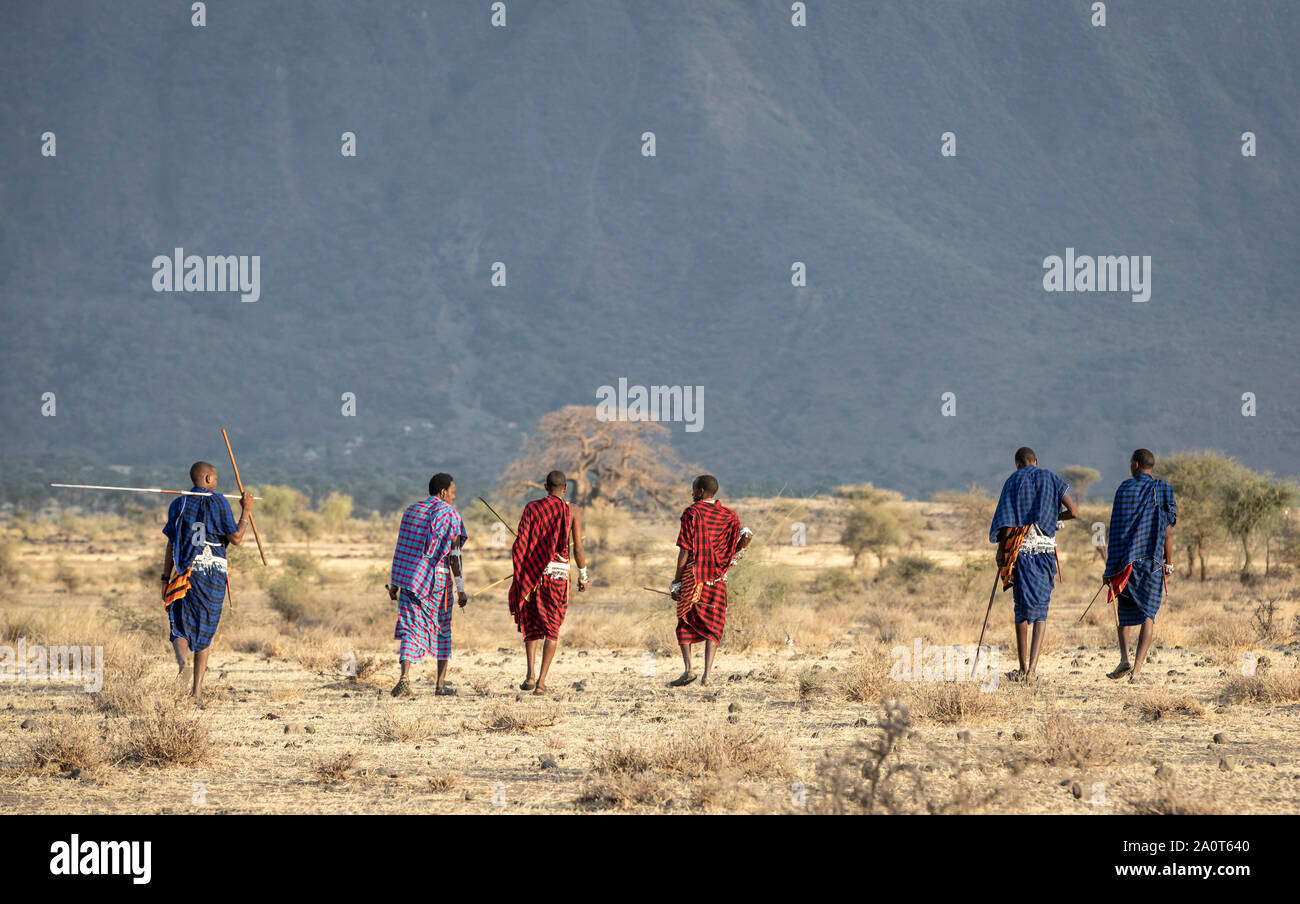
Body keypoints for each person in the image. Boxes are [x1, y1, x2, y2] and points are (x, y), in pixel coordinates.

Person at [161, 461, 253, 698]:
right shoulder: (218, 501)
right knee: (206, 629)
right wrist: (246, 510)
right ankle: (197, 692)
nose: (218, 482)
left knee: (179, 622)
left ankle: (183, 664)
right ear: (208, 480)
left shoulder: (178, 504)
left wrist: (164, 578)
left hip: (184, 571)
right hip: (212, 573)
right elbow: (236, 537)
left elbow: (171, 542)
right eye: (216, 477)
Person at [988, 447, 1078, 681]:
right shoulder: (1051, 477)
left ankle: (1022, 668)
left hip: (1022, 553)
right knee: (1041, 610)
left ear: (1018, 464)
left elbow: (1006, 522)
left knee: (1021, 609)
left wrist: (1001, 551)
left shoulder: (1013, 480)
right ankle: (1033, 670)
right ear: (1035, 462)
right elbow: (1074, 512)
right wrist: (1052, 517)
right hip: (1047, 553)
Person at [387, 473, 468, 697]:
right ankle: (439, 686)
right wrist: (460, 588)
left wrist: (394, 583)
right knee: (442, 629)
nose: (454, 496)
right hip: (437, 583)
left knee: (409, 629)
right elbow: (454, 555)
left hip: (410, 579)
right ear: (443, 492)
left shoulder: (411, 511)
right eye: (452, 492)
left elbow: (400, 549)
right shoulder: (450, 514)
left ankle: (404, 678)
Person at [669, 475, 752, 688]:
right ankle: (707, 675)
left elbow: (685, 551)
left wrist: (676, 582)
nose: (692, 492)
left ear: (700, 491)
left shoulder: (692, 513)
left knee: (685, 619)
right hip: (718, 579)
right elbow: (735, 548)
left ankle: (688, 670)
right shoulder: (730, 516)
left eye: (693, 489)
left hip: (693, 577)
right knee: (714, 623)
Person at [509, 470, 587, 694]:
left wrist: (524, 569)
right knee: (552, 628)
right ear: (564, 489)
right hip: (559, 576)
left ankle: (530, 675)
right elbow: (578, 548)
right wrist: (584, 575)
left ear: (545, 487)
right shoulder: (572, 510)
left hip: (534, 576)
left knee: (532, 624)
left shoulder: (532, 508)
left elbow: (521, 544)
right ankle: (541, 682)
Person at [1103, 449, 1177, 683]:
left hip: (1126, 564)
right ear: (1149, 466)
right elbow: (1167, 531)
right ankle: (1136, 670)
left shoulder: (1124, 489)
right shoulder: (1163, 489)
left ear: (1135, 464)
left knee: (1123, 613)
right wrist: (1170, 564)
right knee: (1148, 614)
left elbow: (1115, 532)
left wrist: (1109, 568)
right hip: (1153, 564)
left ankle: (1124, 657)